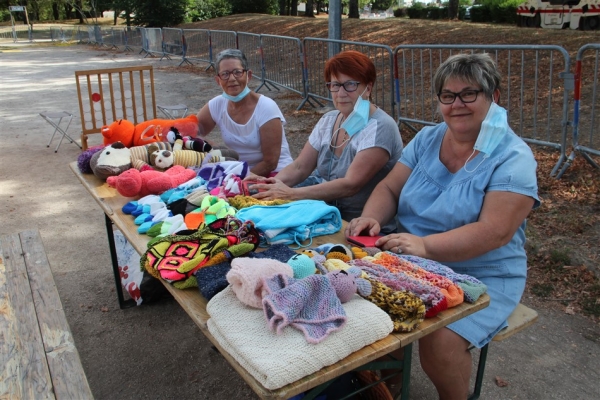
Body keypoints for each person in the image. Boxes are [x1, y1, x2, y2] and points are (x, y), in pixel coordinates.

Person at [346, 53, 540, 399]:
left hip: (482, 273)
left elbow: (495, 231)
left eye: (469, 93)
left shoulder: (514, 157)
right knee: (361, 304)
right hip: (410, 258)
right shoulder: (428, 139)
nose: (457, 104)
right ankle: (385, 385)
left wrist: (425, 246)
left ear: (493, 97)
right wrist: (373, 216)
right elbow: (390, 187)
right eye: (447, 96)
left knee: (440, 341)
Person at [249, 50, 403, 233]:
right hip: (325, 216)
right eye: (336, 85)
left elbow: (351, 184)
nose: (341, 93)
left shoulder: (380, 127)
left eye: (351, 85)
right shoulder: (330, 119)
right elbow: (300, 167)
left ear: (368, 88)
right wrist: (269, 187)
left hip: (362, 227)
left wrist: (291, 194)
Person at [196, 49, 293, 177]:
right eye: (225, 74)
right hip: (238, 170)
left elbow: (270, 163)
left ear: (249, 75)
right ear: (218, 80)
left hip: (276, 174)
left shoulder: (266, 107)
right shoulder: (217, 104)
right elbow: (192, 131)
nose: (231, 78)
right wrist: (210, 146)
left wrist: (235, 179)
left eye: (237, 72)